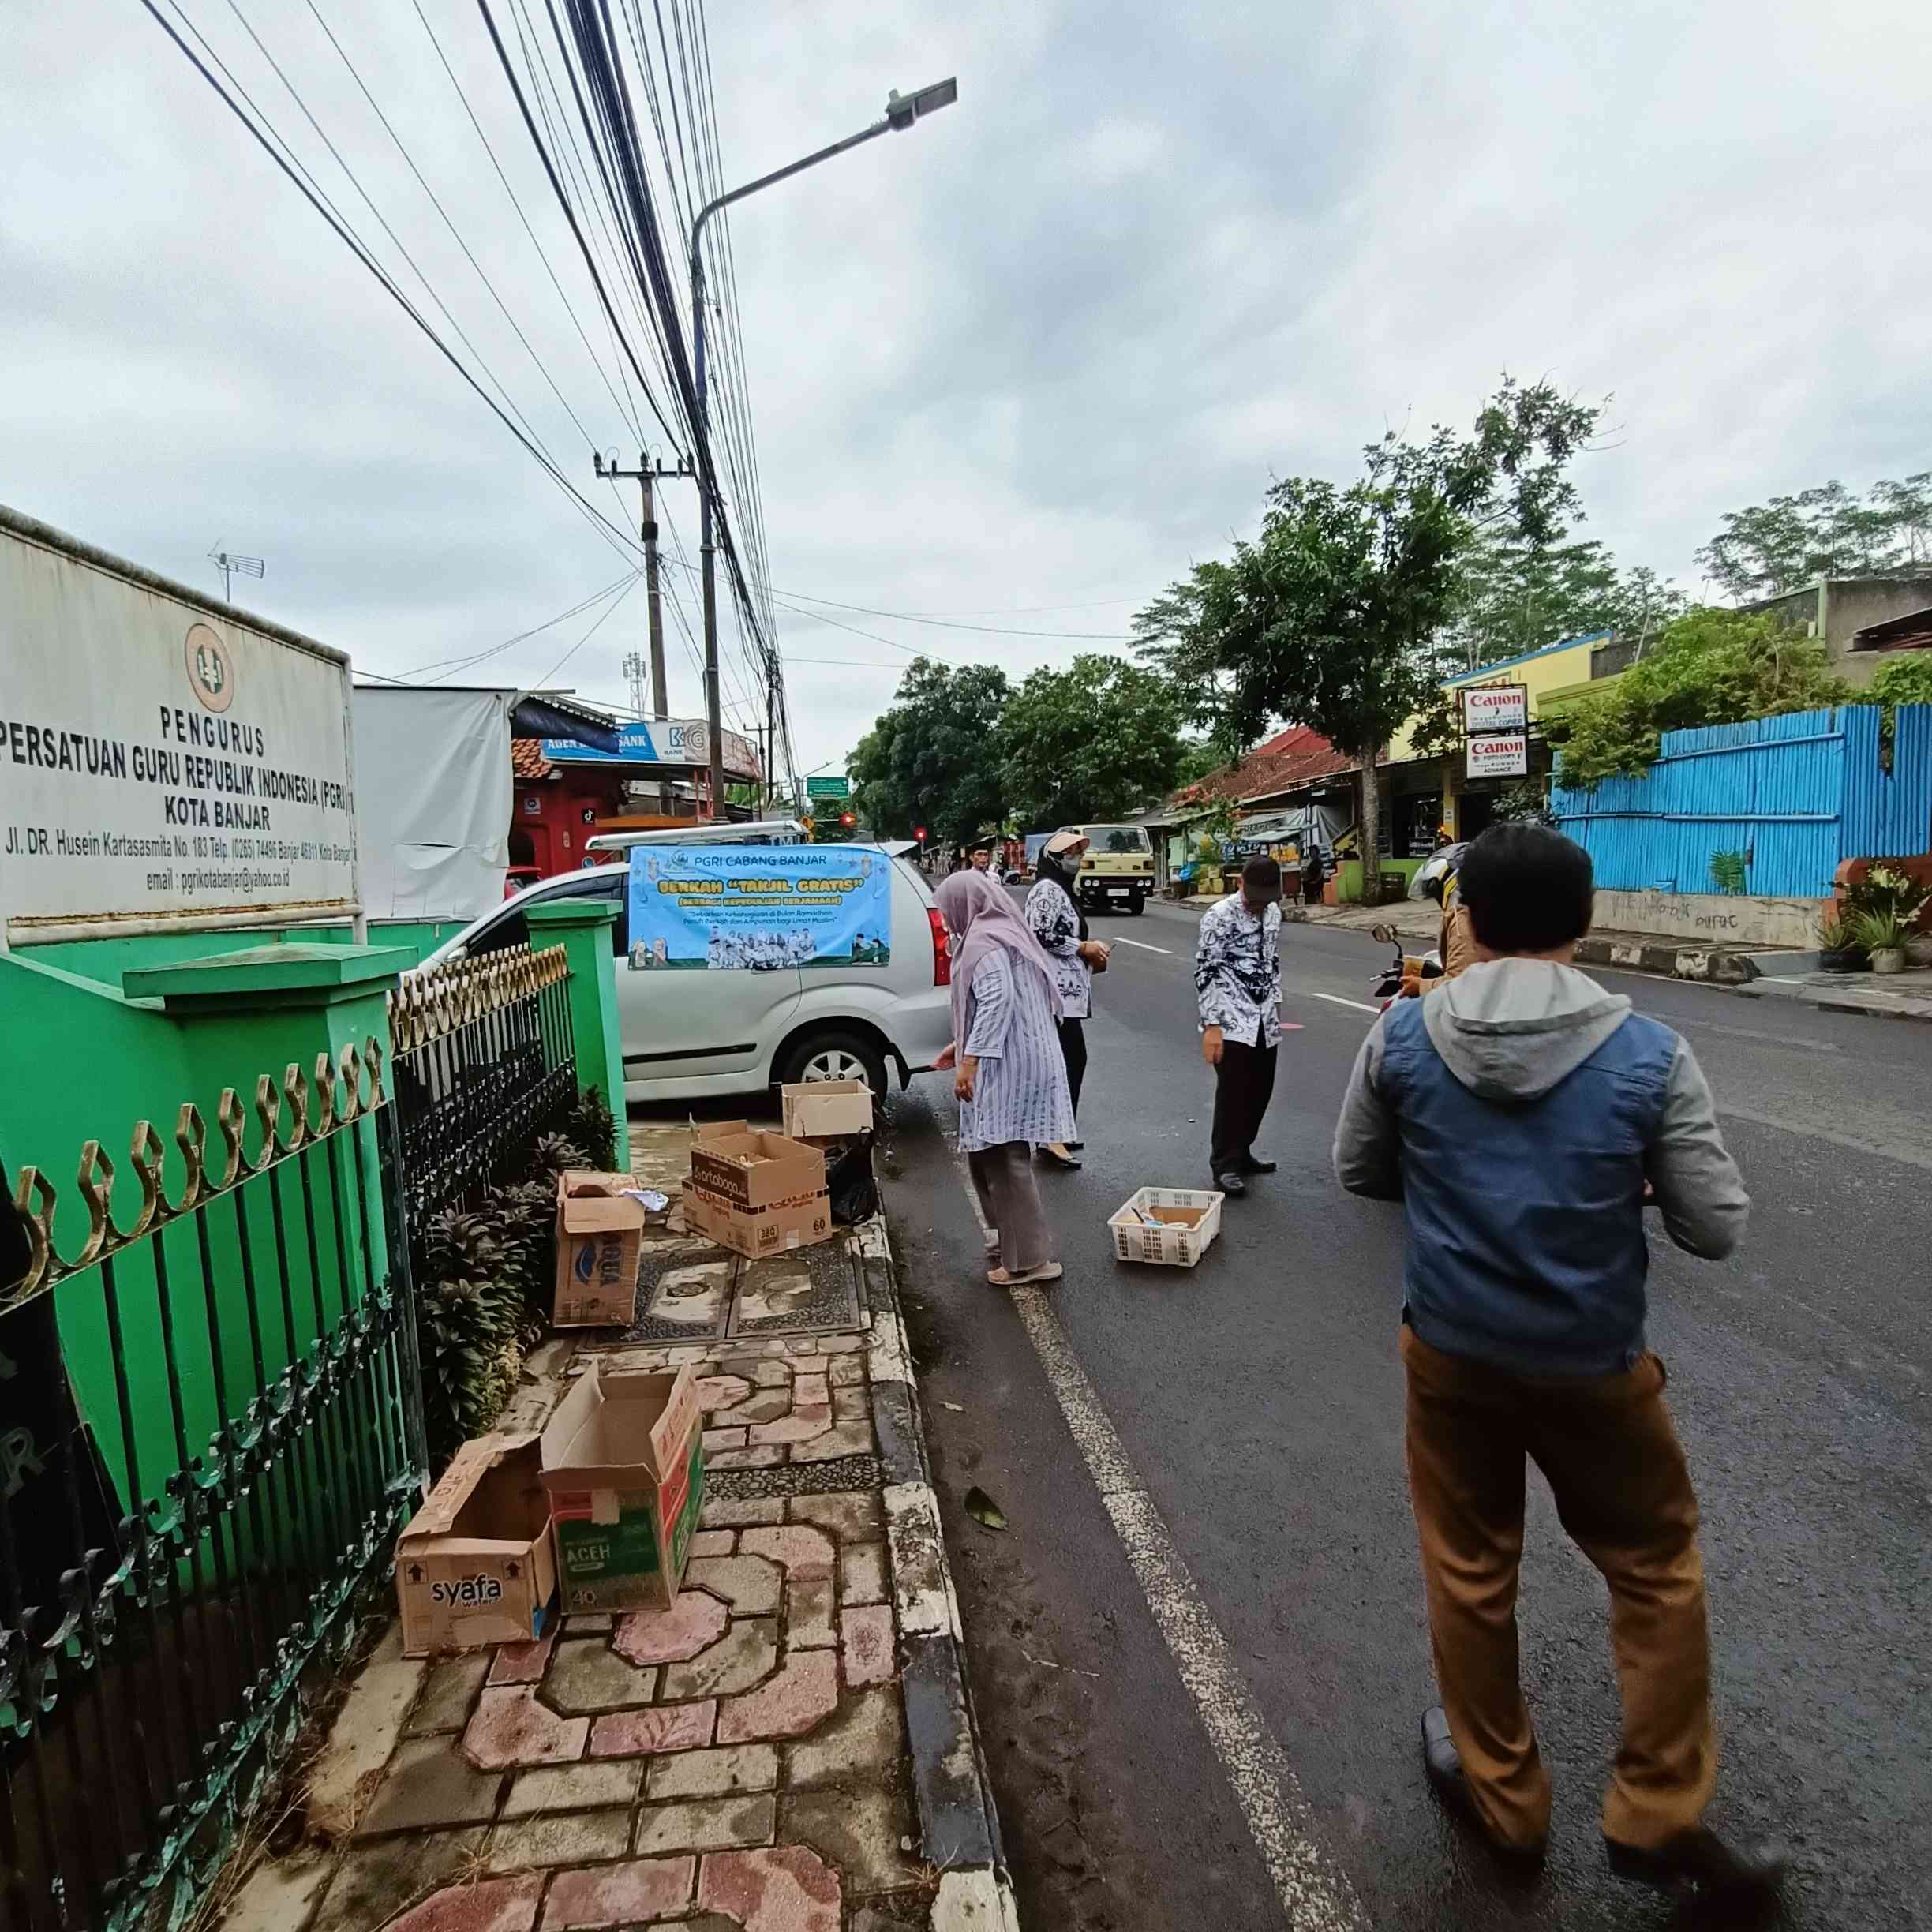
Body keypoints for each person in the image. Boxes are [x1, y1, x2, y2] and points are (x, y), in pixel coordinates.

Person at [1331, 824, 1784, 1899]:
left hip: (1450, 1354)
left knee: (1472, 1572)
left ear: (1471, 923)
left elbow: (1358, 1169)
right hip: (1595, 1362)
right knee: (1654, 1569)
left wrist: (1455, 1182)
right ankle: (1660, 1815)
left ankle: (1503, 1798)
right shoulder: (1650, 1054)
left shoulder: (1399, 1038)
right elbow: (1713, 1226)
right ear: (1586, 925)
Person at [933, 870, 1074, 1287]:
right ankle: (1008, 1240)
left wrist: (971, 1060)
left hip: (1011, 1062)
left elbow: (998, 1002)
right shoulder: (999, 933)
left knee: (1004, 1156)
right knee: (988, 1153)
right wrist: (959, 1047)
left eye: (946, 910)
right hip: (1017, 1054)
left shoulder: (986, 943)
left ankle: (1029, 1261)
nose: (944, 919)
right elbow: (989, 1006)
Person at [1193, 854, 1283, 1197]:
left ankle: (1243, 1151)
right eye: (1255, 897)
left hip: (1264, 1017)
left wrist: (1275, 1000)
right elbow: (1207, 972)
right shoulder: (1219, 917)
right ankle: (1225, 1165)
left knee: (1261, 1089)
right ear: (1240, 883)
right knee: (1233, 1093)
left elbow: (1272, 959)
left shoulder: (1273, 912)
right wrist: (1212, 1026)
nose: (1260, 905)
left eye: (1267, 898)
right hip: (1230, 1017)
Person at [1026, 831, 1110, 1169]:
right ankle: (1051, 1137)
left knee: (1070, 1060)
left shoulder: (1062, 890)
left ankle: (1060, 1129)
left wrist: (1090, 955)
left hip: (1066, 994)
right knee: (1065, 1061)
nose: (1077, 857)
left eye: (1079, 851)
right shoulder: (1046, 890)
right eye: (1071, 852)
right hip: (1052, 996)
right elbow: (1038, 935)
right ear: (1055, 858)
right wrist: (1081, 948)